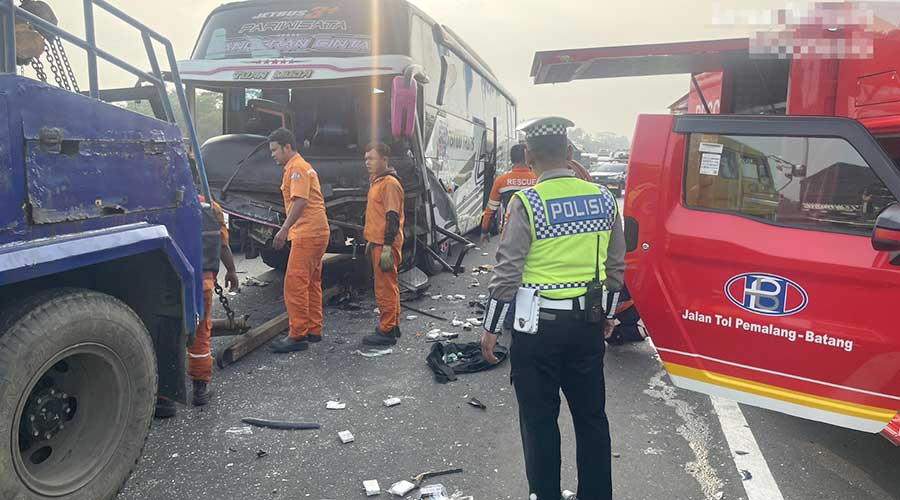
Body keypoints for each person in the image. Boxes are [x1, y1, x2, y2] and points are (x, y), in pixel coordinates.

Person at [480, 117, 626, 500]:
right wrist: (610, 314)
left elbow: (507, 272)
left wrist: (491, 328)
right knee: (591, 418)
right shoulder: (604, 199)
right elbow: (615, 268)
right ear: (570, 152)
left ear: (529, 157)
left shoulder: (527, 202)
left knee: (540, 421)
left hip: (537, 330)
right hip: (587, 324)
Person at [155, 150, 240, 418]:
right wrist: (232, 271)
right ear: (194, 176)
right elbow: (222, 245)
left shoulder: (160, 206)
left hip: (169, 283)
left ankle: (165, 399)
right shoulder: (211, 208)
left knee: (167, 334)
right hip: (202, 283)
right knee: (201, 333)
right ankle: (200, 389)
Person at [268, 128, 331, 353]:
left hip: (308, 233)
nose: (273, 155)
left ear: (287, 147)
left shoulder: (296, 168)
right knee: (312, 282)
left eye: (275, 150)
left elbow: (300, 201)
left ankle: (298, 335)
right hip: (316, 231)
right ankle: (313, 329)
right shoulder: (301, 166)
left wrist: (284, 229)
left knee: (295, 285)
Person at [361, 142, 406, 346]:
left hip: (384, 245)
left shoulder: (389, 184)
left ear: (384, 159)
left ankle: (386, 331)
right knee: (389, 285)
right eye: (366, 159)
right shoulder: (378, 182)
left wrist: (387, 245)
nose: (367, 162)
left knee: (384, 288)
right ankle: (392, 325)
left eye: (371, 158)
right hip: (379, 243)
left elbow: (392, 217)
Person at [480, 144, 537, 243]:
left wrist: (485, 230)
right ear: (528, 158)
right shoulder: (538, 179)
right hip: (536, 231)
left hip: (511, 232)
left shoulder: (501, 181)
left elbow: (491, 210)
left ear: (511, 160)